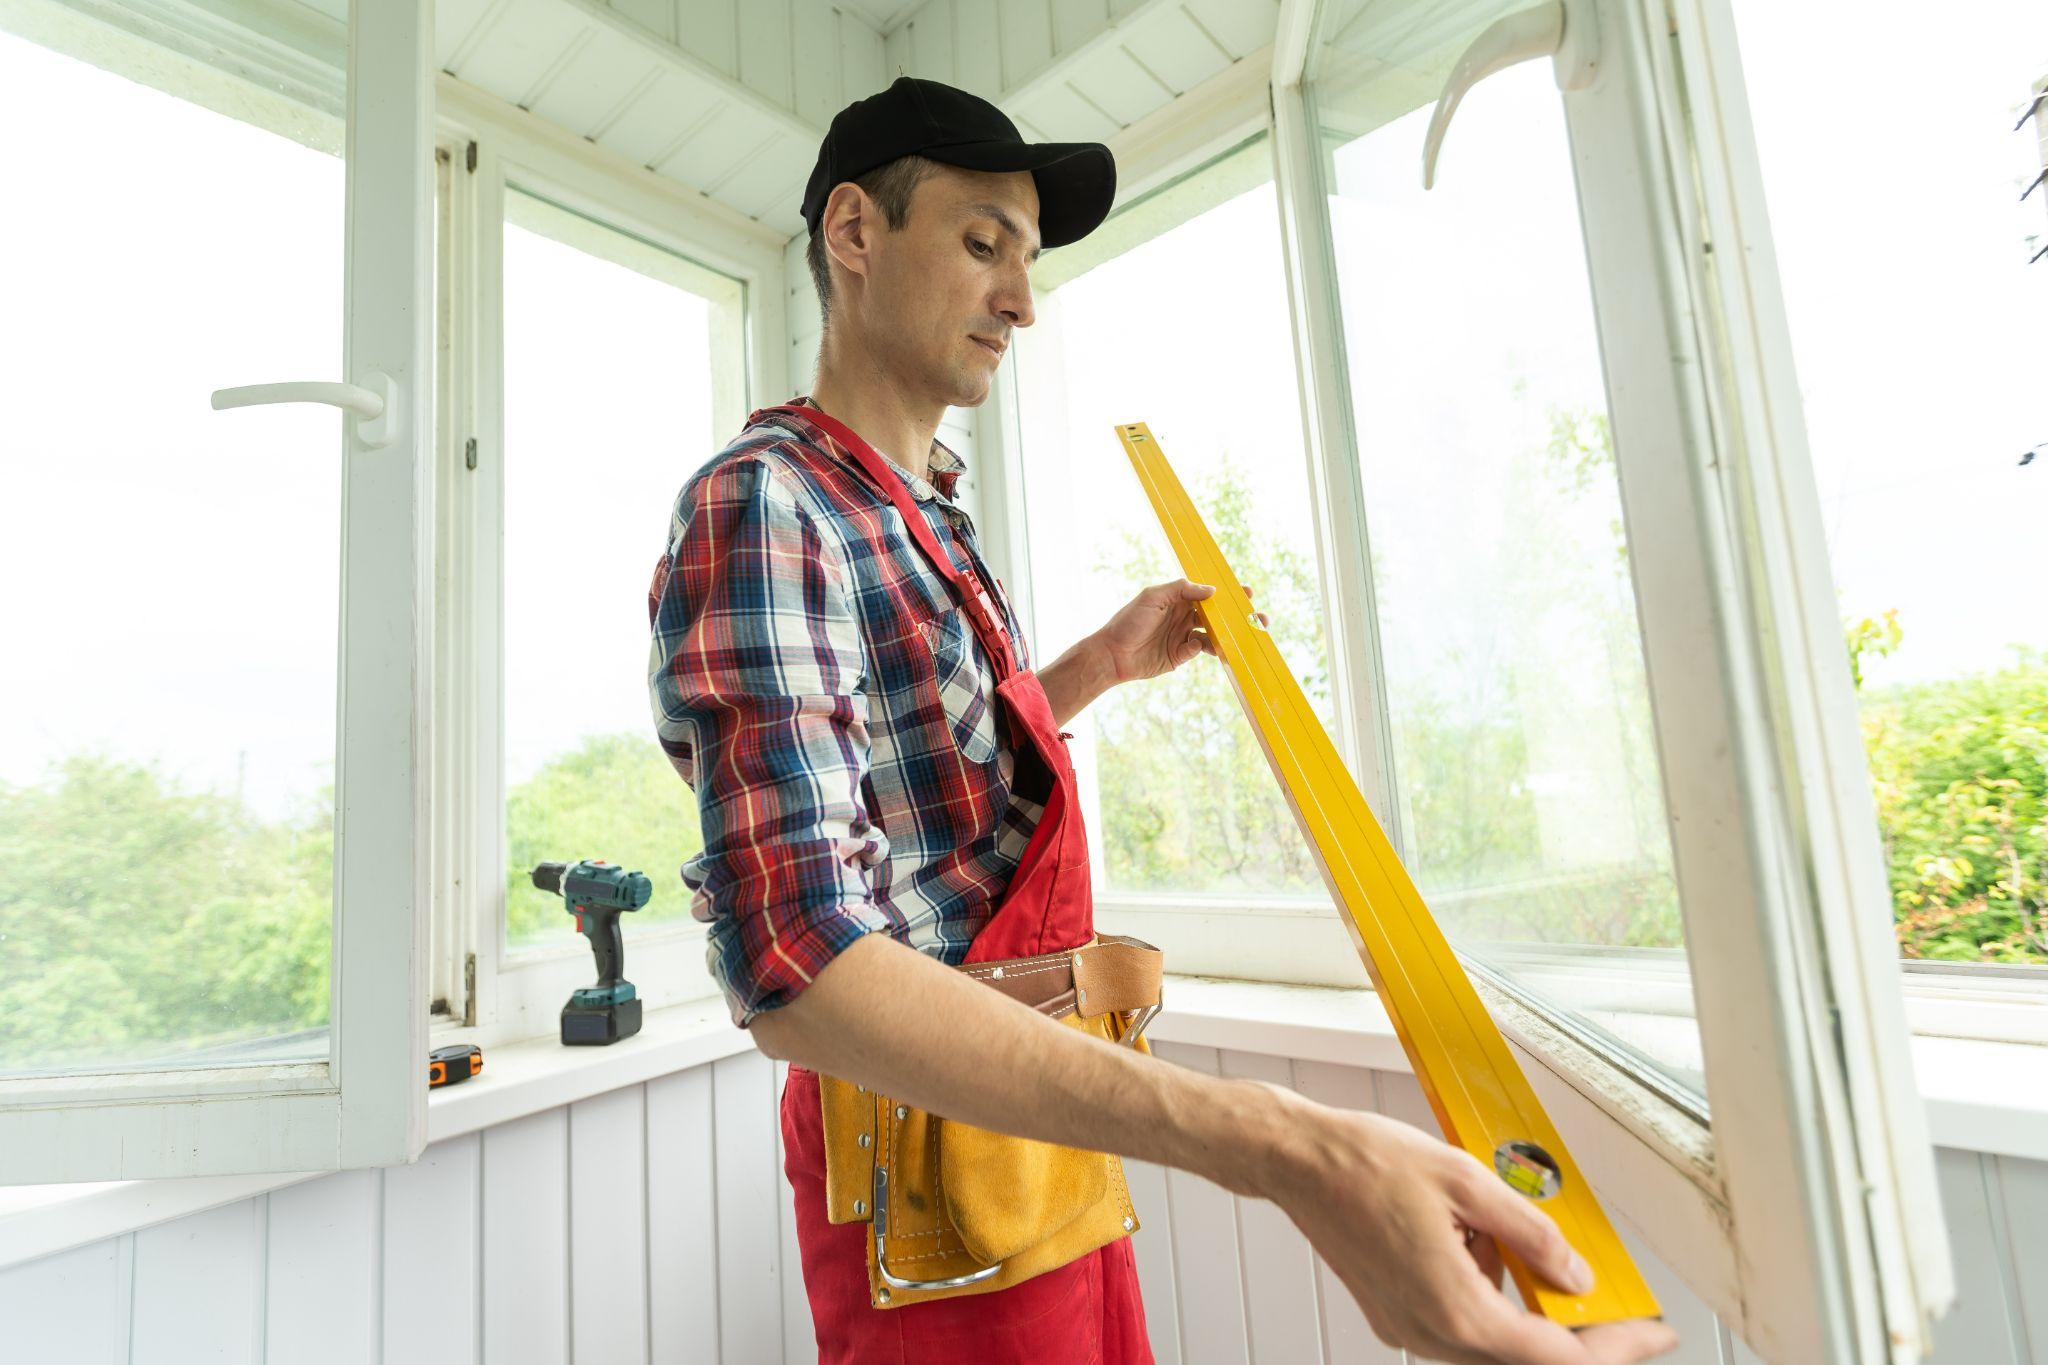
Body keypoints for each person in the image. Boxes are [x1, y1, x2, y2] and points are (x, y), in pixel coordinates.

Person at [647, 74, 1680, 1365]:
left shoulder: (927, 513)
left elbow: (936, 796)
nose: (1022, 297)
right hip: (927, 1162)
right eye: (983, 244)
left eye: (1026, 260)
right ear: (854, 233)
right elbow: (802, 958)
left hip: (1042, 1124)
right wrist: (1283, 1144)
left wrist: (1094, 666)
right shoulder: (763, 507)